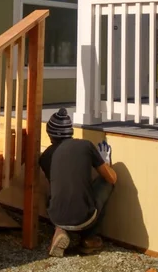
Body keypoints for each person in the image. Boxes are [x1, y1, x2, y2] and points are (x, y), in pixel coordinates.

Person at [39, 108, 117, 257]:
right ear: (70, 132)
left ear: (50, 135)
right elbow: (111, 178)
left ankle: (60, 230)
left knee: (54, 194)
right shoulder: (86, 146)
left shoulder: (45, 157)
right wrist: (105, 162)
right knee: (105, 182)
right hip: (84, 218)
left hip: (55, 217)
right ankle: (89, 239)